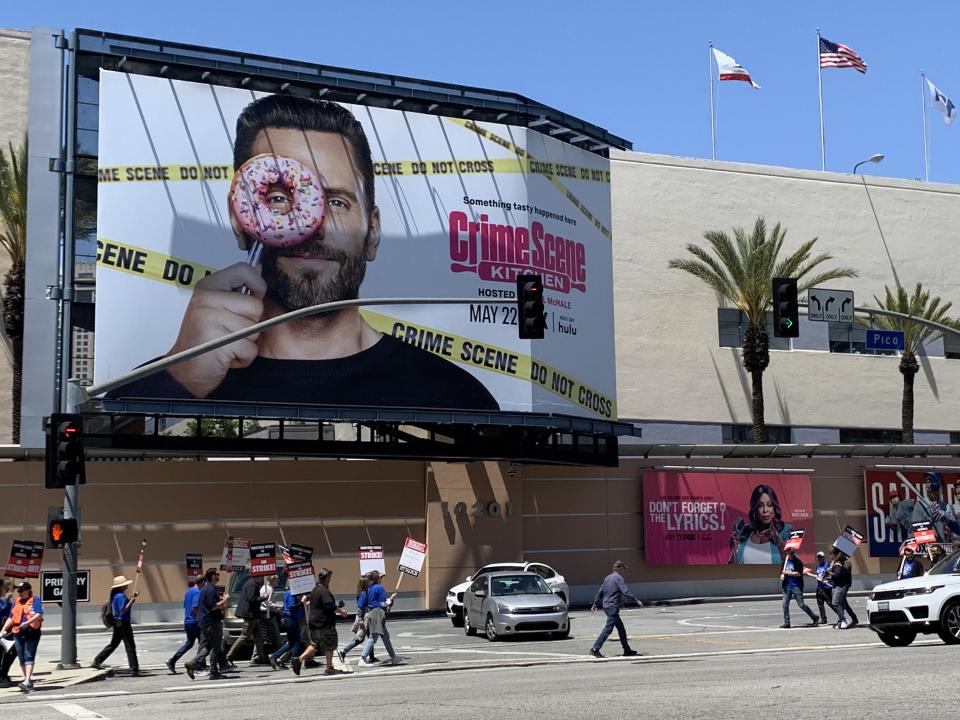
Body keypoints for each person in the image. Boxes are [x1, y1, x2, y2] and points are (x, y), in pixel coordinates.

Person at [105, 95, 499, 412]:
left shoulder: (455, 397)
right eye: (279, 198)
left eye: (338, 202)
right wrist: (179, 378)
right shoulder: (183, 376)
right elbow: (97, 478)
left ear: (373, 232)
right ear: (240, 219)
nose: (312, 224)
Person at [290, 567, 349, 676]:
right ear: (326, 578)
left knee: (315, 643)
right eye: (329, 577)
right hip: (324, 623)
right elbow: (330, 605)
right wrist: (341, 611)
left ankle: (298, 659)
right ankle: (329, 668)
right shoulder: (323, 590)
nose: (330, 579)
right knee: (330, 645)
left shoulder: (315, 589)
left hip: (314, 622)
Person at [589, 560, 641, 658]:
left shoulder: (607, 578)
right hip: (612, 606)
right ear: (620, 568)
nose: (624, 571)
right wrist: (636, 600)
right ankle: (595, 649)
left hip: (607, 606)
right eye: (623, 569)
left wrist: (595, 603)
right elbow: (625, 591)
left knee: (621, 629)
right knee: (608, 628)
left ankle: (627, 650)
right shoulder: (618, 578)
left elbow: (600, 592)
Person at [185, 568, 231, 680]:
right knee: (215, 647)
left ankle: (193, 663)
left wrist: (221, 600)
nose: (218, 575)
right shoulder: (210, 589)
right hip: (212, 622)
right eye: (217, 574)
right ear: (212, 576)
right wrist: (225, 600)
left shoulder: (206, 589)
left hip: (205, 622)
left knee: (208, 646)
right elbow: (213, 606)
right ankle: (213, 672)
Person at [729, 484, 792, 564]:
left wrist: (778, 540)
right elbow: (733, 567)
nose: (765, 510)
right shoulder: (745, 531)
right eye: (760, 506)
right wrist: (733, 551)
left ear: (774, 507)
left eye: (769, 505)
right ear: (755, 509)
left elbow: (794, 563)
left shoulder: (787, 530)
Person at [0, 581, 44, 692]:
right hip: (17, 632)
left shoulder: (35, 599)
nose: (19, 592)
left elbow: (39, 613)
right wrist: (4, 629)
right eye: (18, 590)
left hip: (31, 631)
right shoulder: (16, 601)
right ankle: (25, 680)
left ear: (28, 590)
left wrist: (28, 622)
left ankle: (27, 680)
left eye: (21, 590)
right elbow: (11, 617)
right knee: (21, 657)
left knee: (28, 655)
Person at [91, 576, 140, 674]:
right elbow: (123, 610)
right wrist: (132, 601)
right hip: (123, 622)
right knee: (130, 645)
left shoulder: (115, 595)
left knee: (114, 644)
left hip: (118, 622)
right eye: (125, 584)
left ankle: (97, 660)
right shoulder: (121, 596)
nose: (127, 585)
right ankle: (134, 668)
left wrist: (131, 598)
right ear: (122, 586)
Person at [359, 571, 401, 667]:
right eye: (380, 577)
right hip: (377, 612)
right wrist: (391, 598)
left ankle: (393, 657)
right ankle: (363, 658)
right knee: (373, 636)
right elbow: (383, 603)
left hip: (371, 612)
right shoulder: (379, 587)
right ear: (377, 578)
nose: (382, 578)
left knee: (385, 636)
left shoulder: (368, 588)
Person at [225, 573, 267, 665]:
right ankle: (229, 656)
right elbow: (251, 599)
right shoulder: (251, 584)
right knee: (244, 636)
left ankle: (261, 658)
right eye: (261, 576)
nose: (262, 578)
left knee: (259, 637)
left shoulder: (252, 583)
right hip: (250, 615)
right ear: (257, 576)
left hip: (254, 615)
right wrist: (263, 598)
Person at [337, 575, 378, 665]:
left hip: (364, 617)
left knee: (370, 636)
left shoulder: (362, 592)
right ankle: (344, 651)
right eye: (367, 582)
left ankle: (371, 657)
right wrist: (360, 620)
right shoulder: (363, 593)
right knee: (360, 639)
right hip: (363, 618)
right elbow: (360, 608)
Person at [166, 577, 202, 673]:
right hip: (195, 621)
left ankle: (172, 660)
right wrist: (201, 616)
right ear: (202, 582)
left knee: (189, 643)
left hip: (187, 621)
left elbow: (186, 605)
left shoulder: (188, 592)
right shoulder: (197, 592)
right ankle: (199, 664)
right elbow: (195, 607)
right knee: (203, 643)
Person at [779, 547, 818, 628]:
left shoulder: (798, 562)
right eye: (789, 553)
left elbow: (798, 574)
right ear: (787, 553)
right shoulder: (785, 562)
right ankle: (787, 622)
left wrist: (787, 572)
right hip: (786, 586)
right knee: (785, 604)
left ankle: (814, 617)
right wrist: (782, 575)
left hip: (796, 586)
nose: (791, 554)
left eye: (792, 553)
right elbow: (782, 572)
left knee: (801, 604)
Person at [270, 586, 305, 670]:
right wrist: (301, 603)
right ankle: (294, 662)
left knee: (291, 643)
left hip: (288, 619)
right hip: (291, 620)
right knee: (297, 642)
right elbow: (291, 606)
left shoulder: (287, 593)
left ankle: (274, 656)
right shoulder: (291, 593)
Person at [828, 548, 859, 629]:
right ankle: (852, 619)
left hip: (844, 585)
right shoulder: (837, 563)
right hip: (840, 584)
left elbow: (842, 573)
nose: (831, 557)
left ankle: (842, 621)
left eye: (832, 555)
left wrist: (833, 568)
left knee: (839, 603)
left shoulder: (846, 563)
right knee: (843, 603)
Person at [803, 550, 835, 625]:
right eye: (818, 557)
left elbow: (831, 574)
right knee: (820, 604)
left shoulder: (827, 564)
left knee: (830, 603)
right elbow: (818, 576)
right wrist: (809, 574)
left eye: (821, 557)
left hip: (826, 587)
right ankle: (823, 619)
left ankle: (841, 616)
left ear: (824, 558)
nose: (819, 559)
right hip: (819, 587)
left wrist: (828, 576)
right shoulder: (818, 566)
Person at [0, 580, 16, 687]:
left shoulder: (8, 600)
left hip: (7, 631)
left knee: (11, 652)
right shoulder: (4, 600)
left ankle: (3, 674)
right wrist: (6, 598)